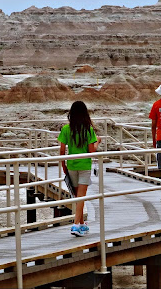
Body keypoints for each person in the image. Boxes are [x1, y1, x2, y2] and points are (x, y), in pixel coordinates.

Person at [58, 100, 99, 236]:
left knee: (77, 196)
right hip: (84, 165)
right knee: (81, 197)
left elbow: (62, 150)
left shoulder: (66, 129)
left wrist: (63, 164)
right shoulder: (88, 129)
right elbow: (91, 151)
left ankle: (82, 223)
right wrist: (97, 142)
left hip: (71, 164)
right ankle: (75, 225)